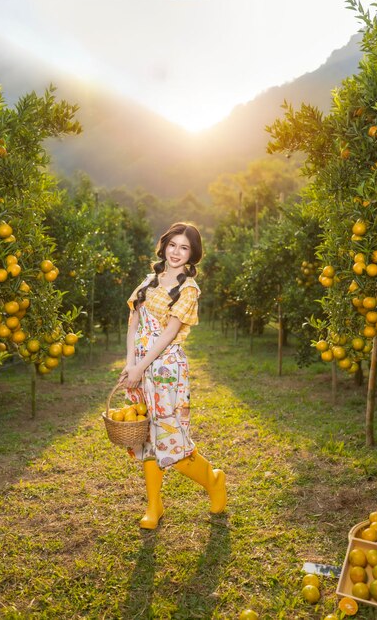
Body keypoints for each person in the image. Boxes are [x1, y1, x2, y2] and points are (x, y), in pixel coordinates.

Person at [119, 222, 226, 529]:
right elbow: (133, 324)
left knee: (172, 441)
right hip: (140, 365)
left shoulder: (189, 290)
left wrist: (141, 367)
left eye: (185, 247)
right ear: (163, 246)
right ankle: (155, 505)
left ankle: (213, 480)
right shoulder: (149, 280)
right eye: (173, 245)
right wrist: (130, 363)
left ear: (192, 254)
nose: (177, 252)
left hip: (165, 369)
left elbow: (168, 334)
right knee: (147, 439)